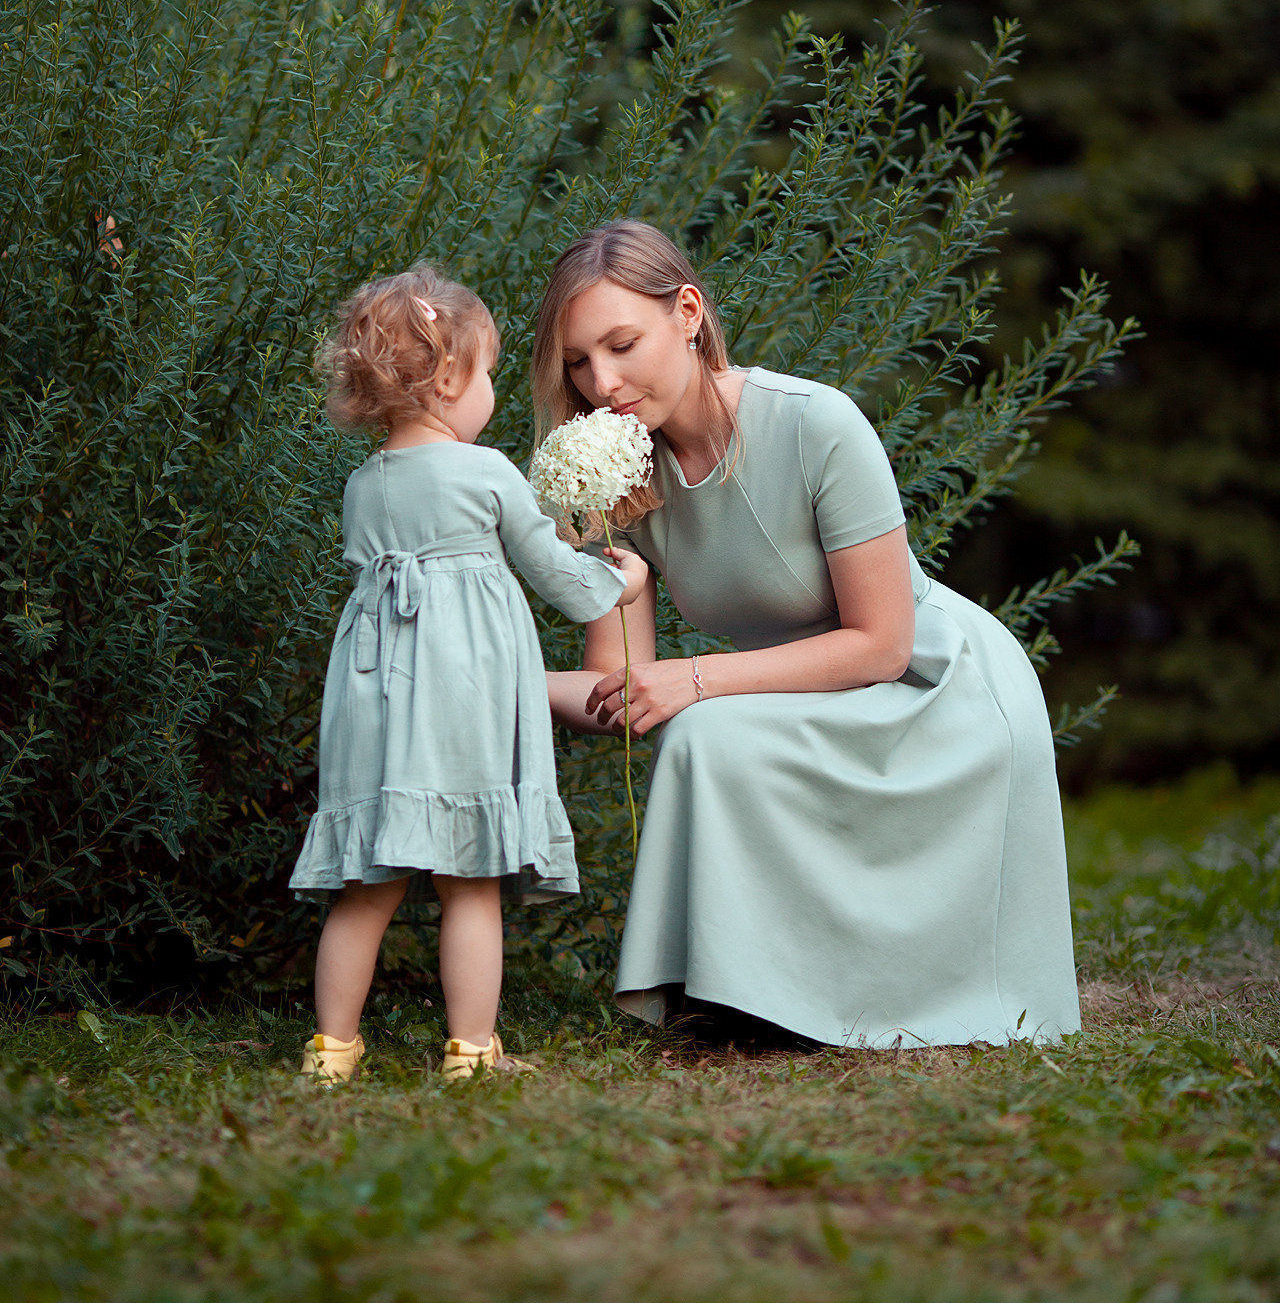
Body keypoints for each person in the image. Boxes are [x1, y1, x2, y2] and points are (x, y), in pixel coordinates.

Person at [533, 222, 1081, 1050]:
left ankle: (741, 1000)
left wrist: (697, 678)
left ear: (688, 312)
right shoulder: (620, 477)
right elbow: (622, 685)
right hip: (802, 699)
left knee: (705, 729)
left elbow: (880, 645)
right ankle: (738, 1001)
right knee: (700, 729)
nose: (601, 380)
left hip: (934, 688)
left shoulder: (817, 422)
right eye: (578, 361)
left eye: (621, 344)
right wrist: (494, 686)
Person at [289, 265, 648, 1082]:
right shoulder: (484, 473)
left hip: (374, 695)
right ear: (449, 377)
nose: (490, 389)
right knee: (470, 882)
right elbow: (554, 573)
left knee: (364, 890)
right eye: (485, 371)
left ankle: (333, 1051)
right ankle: (470, 1053)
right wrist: (616, 577)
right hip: (460, 696)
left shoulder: (363, 484)